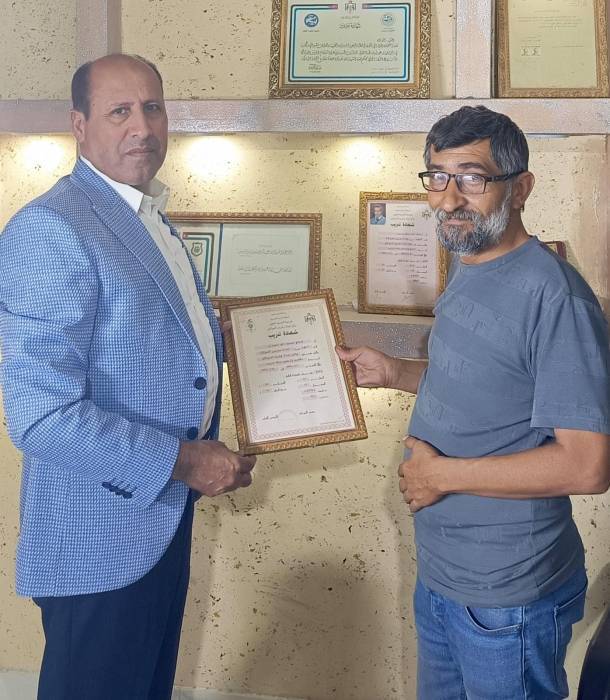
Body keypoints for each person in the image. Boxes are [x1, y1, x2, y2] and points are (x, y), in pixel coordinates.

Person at [0, 54, 256, 700]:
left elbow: (162, 349)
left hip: (159, 523)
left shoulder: (147, 218)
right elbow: (41, 416)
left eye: (152, 108)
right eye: (119, 111)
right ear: (79, 126)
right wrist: (185, 460)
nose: (142, 127)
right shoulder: (52, 228)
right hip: (99, 542)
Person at [338, 105, 610, 699]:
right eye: (437, 177)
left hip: (509, 593)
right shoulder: (470, 263)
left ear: (522, 187)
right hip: (444, 575)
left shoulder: (556, 298)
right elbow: (492, 384)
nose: (449, 198)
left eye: (472, 177)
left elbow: (587, 465)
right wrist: (396, 373)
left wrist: (442, 476)